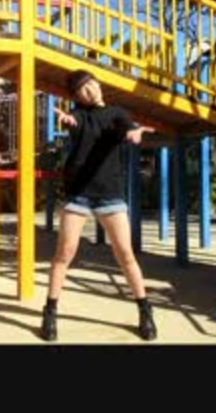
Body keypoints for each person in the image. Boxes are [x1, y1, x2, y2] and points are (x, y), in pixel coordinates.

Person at [40, 69, 158, 342]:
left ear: (98, 84)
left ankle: (145, 310)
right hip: (79, 194)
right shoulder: (79, 115)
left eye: (91, 84)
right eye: (82, 90)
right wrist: (68, 121)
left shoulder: (117, 113)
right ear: (77, 97)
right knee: (63, 254)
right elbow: (74, 123)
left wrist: (134, 132)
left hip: (110, 195)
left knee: (125, 255)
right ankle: (50, 311)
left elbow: (124, 126)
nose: (89, 91)